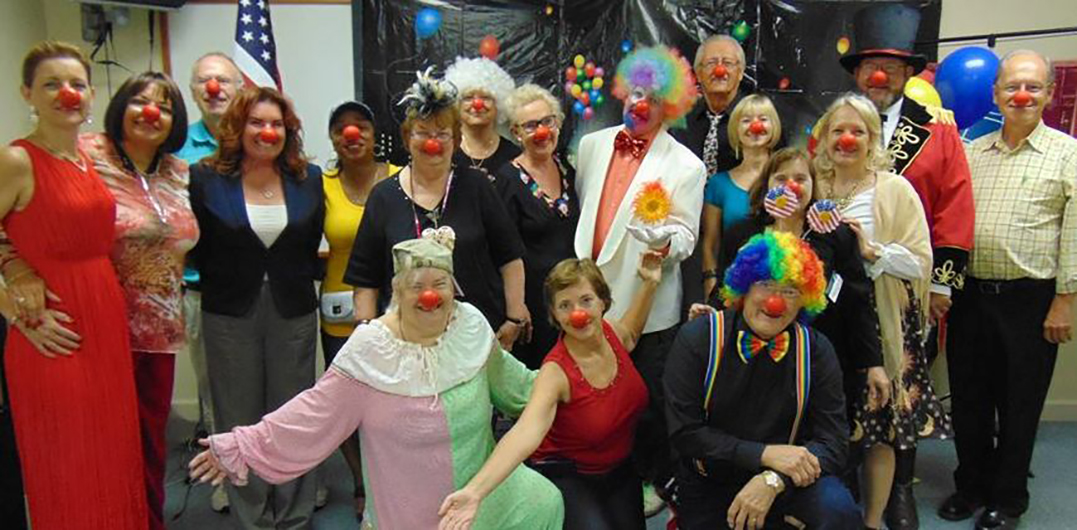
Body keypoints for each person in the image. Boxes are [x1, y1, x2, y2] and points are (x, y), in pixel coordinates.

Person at [189, 229, 564, 529]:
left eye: (440, 284)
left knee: (544, 500)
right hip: (411, 513)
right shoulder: (371, 351)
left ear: (455, 289)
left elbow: (516, 385)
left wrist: (570, 377)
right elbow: (310, 416)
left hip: (482, 492)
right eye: (417, 286)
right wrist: (242, 446)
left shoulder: (470, 328)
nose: (430, 295)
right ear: (397, 292)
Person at [1, 71, 198, 530]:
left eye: (165, 106)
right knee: (91, 448)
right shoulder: (84, 155)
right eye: (140, 101)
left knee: (148, 446)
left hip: (160, 331)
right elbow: (23, 222)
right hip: (93, 323)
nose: (152, 112)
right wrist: (15, 273)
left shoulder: (179, 172)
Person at [840, 7, 975, 527]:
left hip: (907, 287)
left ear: (908, 74)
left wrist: (942, 284)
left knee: (903, 388)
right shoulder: (838, 128)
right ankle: (854, 478)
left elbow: (956, 207)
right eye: (871, 64)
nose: (879, 75)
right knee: (855, 382)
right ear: (856, 71)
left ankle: (900, 488)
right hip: (848, 292)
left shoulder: (936, 131)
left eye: (891, 67)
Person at [941, 50, 1077, 530]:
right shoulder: (971, 152)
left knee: (1019, 403)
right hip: (971, 295)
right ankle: (971, 484)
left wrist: (1065, 299)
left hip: (1031, 299)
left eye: (1034, 87)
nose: (1022, 95)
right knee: (969, 396)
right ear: (996, 92)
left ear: (1048, 94)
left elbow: (1075, 233)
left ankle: (1008, 497)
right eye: (1012, 86)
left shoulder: (1069, 154)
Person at [439, 251, 663, 530]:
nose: (577, 314)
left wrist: (650, 283)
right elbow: (525, 431)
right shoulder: (555, 372)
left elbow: (630, 334)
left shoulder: (610, 334)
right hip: (569, 475)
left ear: (603, 302)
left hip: (619, 470)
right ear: (554, 316)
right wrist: (475, 492)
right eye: (565, 305)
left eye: (586, 300)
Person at [573, 45, 705, 513]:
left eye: (650, 96)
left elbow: (688, 236)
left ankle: (651, 477)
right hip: (589, 300)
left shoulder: (686, 165)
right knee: (592, 393)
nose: (639, 104)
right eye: (633, 93)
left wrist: (664, 239)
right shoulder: (591, 145)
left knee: (645, 399)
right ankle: (598, 472)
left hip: (647, 304)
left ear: (669, 104)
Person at [189, 86, 325, 529]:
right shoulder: (204, 178)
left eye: (276, 124)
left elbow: (307, 246)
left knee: (293, 417)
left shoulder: (311, 179)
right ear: (238, 127)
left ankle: (295, 514)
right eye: (256, 122)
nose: (267, 132)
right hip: (229, 311)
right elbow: (194, 248)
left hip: (293, 309)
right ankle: (252, 517)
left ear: (288, 131)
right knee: (238, 415)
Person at [814, 93, 949, 530]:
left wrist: (875, 253)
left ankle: (873, 520)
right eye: (838, 130)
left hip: (883, 323)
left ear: (873, 139)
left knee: (880, 428)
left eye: (858, 132)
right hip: (830, 323)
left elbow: (920, 261)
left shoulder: (893, 188)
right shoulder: (814, 184)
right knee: (831, 421)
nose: (847, 140)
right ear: (825, 137)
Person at [665, 231, 861, 530]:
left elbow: (833, 442)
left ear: (804, 302)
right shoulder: (699, 338)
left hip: (787, 481)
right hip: (712, 481)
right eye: (766, 285)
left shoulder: (816, 350)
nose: (775, 302)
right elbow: (685, 433)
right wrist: (763, 454)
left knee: (838, 511)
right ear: (744, 287)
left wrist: (773, 479)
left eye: (791, 291)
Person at [347, 69, 530, 351]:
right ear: (407, 139)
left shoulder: (477, 186)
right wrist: (368, 338)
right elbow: (366, 279)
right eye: (423, 133)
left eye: (442, 134)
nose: (433, 142)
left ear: (456, 141)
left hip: (477, 339)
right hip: (404, 342)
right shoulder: (383, 196)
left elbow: (510, 258)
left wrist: (514, 317)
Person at [709, 147, 888, 429]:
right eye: (781, 178)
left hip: (821, 354)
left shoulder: (836, 234)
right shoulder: (743, 232)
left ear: (813, 185)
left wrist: (873, 363)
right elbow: (725, 292)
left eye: (800, 178)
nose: (791, 186)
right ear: (767, 184)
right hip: (755, 355)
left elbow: (857, 301)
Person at [319, 99, 397, 517]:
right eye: (342, 128)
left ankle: (395, 477)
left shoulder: (401, 178)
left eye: (361, 126)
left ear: (373, 134)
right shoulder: (321, 183)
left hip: (397, 307)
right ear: (333, 138)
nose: (352, 135)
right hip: (340, 309)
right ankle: (361, 479)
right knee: (347, 399)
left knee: (393, 400)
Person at [175, 52, 244, 512]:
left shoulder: (261, 140)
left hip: (258, 290)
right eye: (204, 81)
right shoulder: (176, 149)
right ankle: (227, 479)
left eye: (223, 80)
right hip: (202, 291)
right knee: (215, 393)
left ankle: (278, 474)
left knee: (273, 390)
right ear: (193, 89)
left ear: (240, 89)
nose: (213, 88)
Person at [493, 84, 579, 368]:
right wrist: (516, 309)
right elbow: (502, 252)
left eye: (547, 121)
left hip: (572, 299)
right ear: (516, 133)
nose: (542, 132)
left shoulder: (568, 170)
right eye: (530, 126)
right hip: (534, 308)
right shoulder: (508, 179)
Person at [672, 34, 750, 320]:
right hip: (688, 236)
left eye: (728, 63)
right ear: (698, 74)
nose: (720, 70)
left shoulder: (754, 119)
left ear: (740, 72)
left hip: (738, 238)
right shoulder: (679, 120)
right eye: (712, 63)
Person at [701, 94, 781, 299]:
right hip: (734, 286)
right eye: (746, 120)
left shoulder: (786, 177)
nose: (755, 125)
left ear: (774, 126)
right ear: (736, 129)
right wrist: (710, 281)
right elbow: (711, 243)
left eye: (763, 119)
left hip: (781, 284)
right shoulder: (719, 184)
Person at [444, 57, 521, 180]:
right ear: (457, 104)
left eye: (485, 98)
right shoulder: (445, 150)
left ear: (498, 104)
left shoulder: (513, 154)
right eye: (468, 98)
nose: (477, 104)